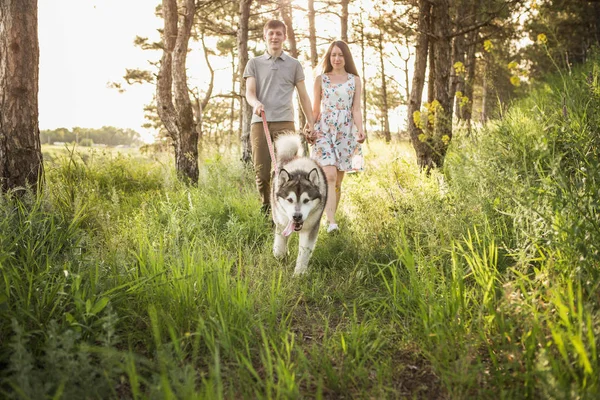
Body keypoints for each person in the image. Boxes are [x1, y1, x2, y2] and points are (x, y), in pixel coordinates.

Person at [244, 19, 314, 216]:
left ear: (284, 37)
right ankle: (266, 210)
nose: (274, 37)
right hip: (261, 122)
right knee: (262, 172)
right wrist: (256, 103)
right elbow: (250, 92)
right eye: (271, 33)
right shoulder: (254, 63)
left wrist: (310, 121)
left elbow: (303, 95)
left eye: (278, 33)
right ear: (265, 36)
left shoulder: (294, 64)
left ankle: (283, 211)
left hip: (286, 123)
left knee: (286, 172)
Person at [310, 40, 366, 234]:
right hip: (324, 129)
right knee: (329, 175)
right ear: (329, 57)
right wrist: (309, 128)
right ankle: (332, 222)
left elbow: (356, 109)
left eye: (340, 55)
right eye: (333, 55)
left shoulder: (355, 80)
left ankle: (329, 217)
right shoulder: (321, 79)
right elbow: (315, 109)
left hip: (345, 131)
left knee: (338, 182)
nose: (337, 58)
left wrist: (360, 129)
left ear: (346, 57)